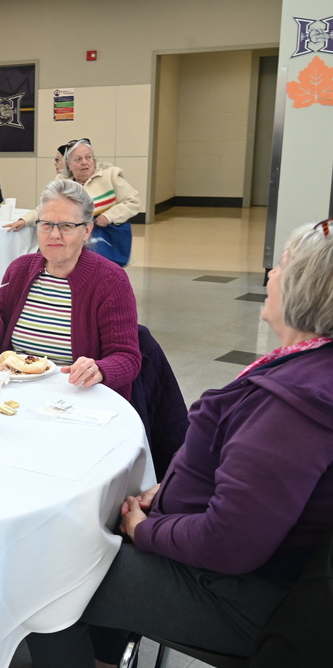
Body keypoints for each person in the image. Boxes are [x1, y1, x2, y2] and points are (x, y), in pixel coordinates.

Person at [26, 220, 333, 667]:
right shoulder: (308, 367)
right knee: (78, 530)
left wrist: (144, 530)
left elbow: (230, 542)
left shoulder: (293, 407)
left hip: (235, 594)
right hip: (232, 565)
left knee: (45, 576)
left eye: (282, 266)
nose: (270, 275)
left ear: (306, 290)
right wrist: (164, 493)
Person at [0, 179, 140, 399]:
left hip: (79, 395)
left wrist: (100, 369)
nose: (54, 234)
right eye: (46, 224)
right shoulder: (20, 270)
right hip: (18, 394)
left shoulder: (110, 280)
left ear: (86, 231)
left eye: (66, 226)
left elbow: (127, 358)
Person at [7, 138, 140, 265]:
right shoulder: (62, 182)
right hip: (72, 234)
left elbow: (132, 202)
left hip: (104, 236)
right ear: (68, 164)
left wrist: (109, 216)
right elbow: (44, 208)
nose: (84, 162)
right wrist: (24, 220)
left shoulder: (110, 176)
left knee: (97, 268)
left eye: (88, 157)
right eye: (78, 159)